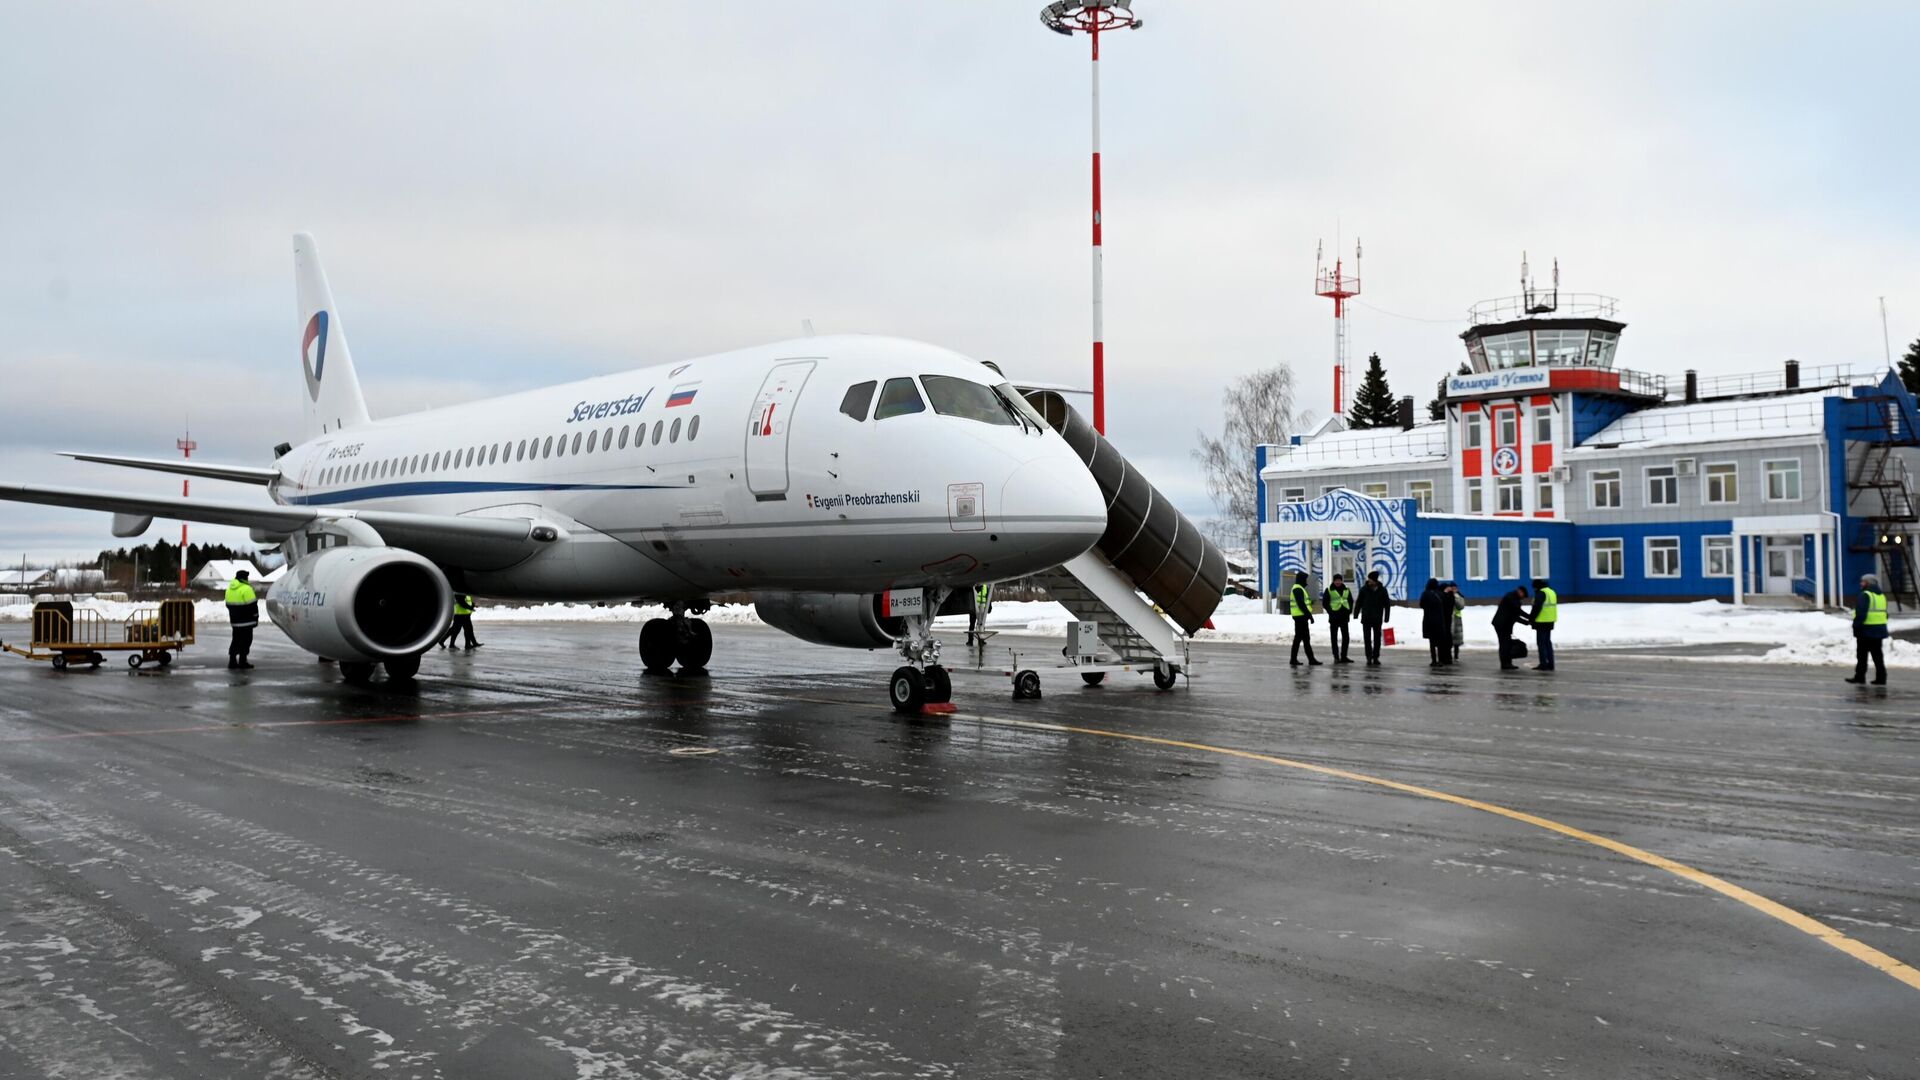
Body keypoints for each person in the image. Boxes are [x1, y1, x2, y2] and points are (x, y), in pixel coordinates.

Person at [1847, 573, 1889, 685]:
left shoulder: (1865, 595)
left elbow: (1861, 613)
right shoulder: (1881, 596)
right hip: (1879, 629)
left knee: (1862, 655)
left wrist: (1856, 626)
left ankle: (1860, 676)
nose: (1861, 584)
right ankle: (1881, 678)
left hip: (1866, 630)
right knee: (1878, 656)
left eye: (1863, 582)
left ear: (1868, 583)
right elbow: (1885, 613)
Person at [1492, 585, 1532, 671]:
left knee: (1506, 643)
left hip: (1504, 624)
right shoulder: (1512, 598)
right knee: (1504, 644)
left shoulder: (1513, 597)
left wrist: (1529, 618)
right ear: (1520, 592)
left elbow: (1517, 613)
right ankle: (1505, 664)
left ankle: (1507, 663)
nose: (1522, 598)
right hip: (1502, 624)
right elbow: (1516, 614)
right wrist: (1528, 620)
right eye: (1523, 596)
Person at [224, 569, 258, 669]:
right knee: (246, 640)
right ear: (244, 578)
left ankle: (232, 661)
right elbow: (253, 605)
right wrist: (255, 617)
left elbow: (228, 604)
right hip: (247, 621)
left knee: (236, 640)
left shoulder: (229, 589)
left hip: (235, 622)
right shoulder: (246, 589)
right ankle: (243, 661)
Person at [1357, 570, 1392, 666]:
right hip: (1366, 618)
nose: (1369, 581)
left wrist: (1386, 617)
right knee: (1367, 639)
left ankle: (1376, 657)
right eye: (1368, 579)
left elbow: (1387, 604)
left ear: (1375, 580)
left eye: (1371, 579)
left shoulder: (1382, 590)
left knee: (1377, 639)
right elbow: (1359, 602)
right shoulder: (1364, 589)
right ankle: (1368, 657)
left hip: (1377, 618)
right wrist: (1356, 613)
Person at [1288, 571, 1322, 667]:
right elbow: (1301, 604)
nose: (1306, 581)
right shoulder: (1297, 589)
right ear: (1301, 579)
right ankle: (1301, 659)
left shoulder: (1299, 588)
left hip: (1301, 617)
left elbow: (1303, 603)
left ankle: (1306, 659)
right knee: (1301, 639)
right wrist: (1309, 615)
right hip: (1300, 617)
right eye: (1305, 579)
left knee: (1302, 639)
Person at [1321, 573, 1354, 664]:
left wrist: (1349, 610)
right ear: (1333, 581)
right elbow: (1325, 603)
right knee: (1334, 638)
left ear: (1342, 581)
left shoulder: (1346, 589)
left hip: (1344, 617)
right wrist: (1330, 611)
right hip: (1334, 617)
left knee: (1346, 637)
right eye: (1336, 580)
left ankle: (1344, 656)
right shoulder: (1329, 590)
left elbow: (1350, 600)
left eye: (1339, 580)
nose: (1338, 582)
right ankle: (1336, 656)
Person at [1419, 577, 1451, 667]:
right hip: (1439, 621)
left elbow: (1421, 605)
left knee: (1432, 642)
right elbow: (1446, 605)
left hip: (1428, 620)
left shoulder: (1425, 594)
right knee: (1440, 641)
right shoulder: (1440, 594)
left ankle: (1433, 660)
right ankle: (1441, 659)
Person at [1528, 577, 1557, 671]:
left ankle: (1543, 664)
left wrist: (1531, 618)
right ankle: (1551, 664)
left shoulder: (1541, 593)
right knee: (1548, 642)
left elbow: (1537, 607)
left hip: (1541, 621)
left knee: (1541, 643)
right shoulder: (1551, 592)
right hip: (1550, 621)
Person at [967, 582, 992, 647]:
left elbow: (988, 596)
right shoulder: (974, 585)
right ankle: (970, 641)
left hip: (982, 606)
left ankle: (981, 640)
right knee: (972, 623)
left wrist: (989, 605)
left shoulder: (985, 586)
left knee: (981, 624)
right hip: (974, 606)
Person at [1448, 582, 1466, 662]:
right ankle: (1448, 655)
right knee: (1449, 638)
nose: (1454, 590)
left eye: (1455, 588)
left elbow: (1461, 606)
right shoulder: (1447, 596)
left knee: (1457, 640)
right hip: (1449, 618)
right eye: (1452, 588)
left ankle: (1456, 655)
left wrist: (1455, 597)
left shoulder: (1459, 596)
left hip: (1457, 619)